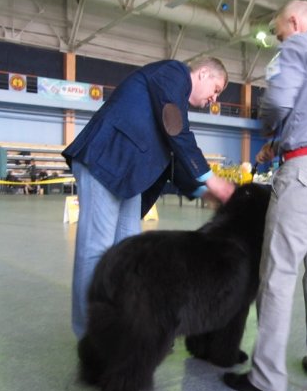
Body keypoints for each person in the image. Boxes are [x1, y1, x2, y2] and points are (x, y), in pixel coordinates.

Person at [223, 0, 307, 391]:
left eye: (279, 33)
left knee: (279, 271)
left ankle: (266, 376)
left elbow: (279, 103)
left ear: (295, 22)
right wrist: (280, 144)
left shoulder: (298, 46)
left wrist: (268, 126)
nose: (279, 40)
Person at [63, 56, 236, 339]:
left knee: (129, 253)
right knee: (96, 250)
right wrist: (211, 178)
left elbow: (171, 158)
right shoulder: (174, 73)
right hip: (106, 160)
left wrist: (203, 191)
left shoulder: (173, 101)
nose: (214, 99)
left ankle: (119, 325)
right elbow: (176, 133)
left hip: (128, 176)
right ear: (203, 73)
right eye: (216, 89)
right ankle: (90, 336)